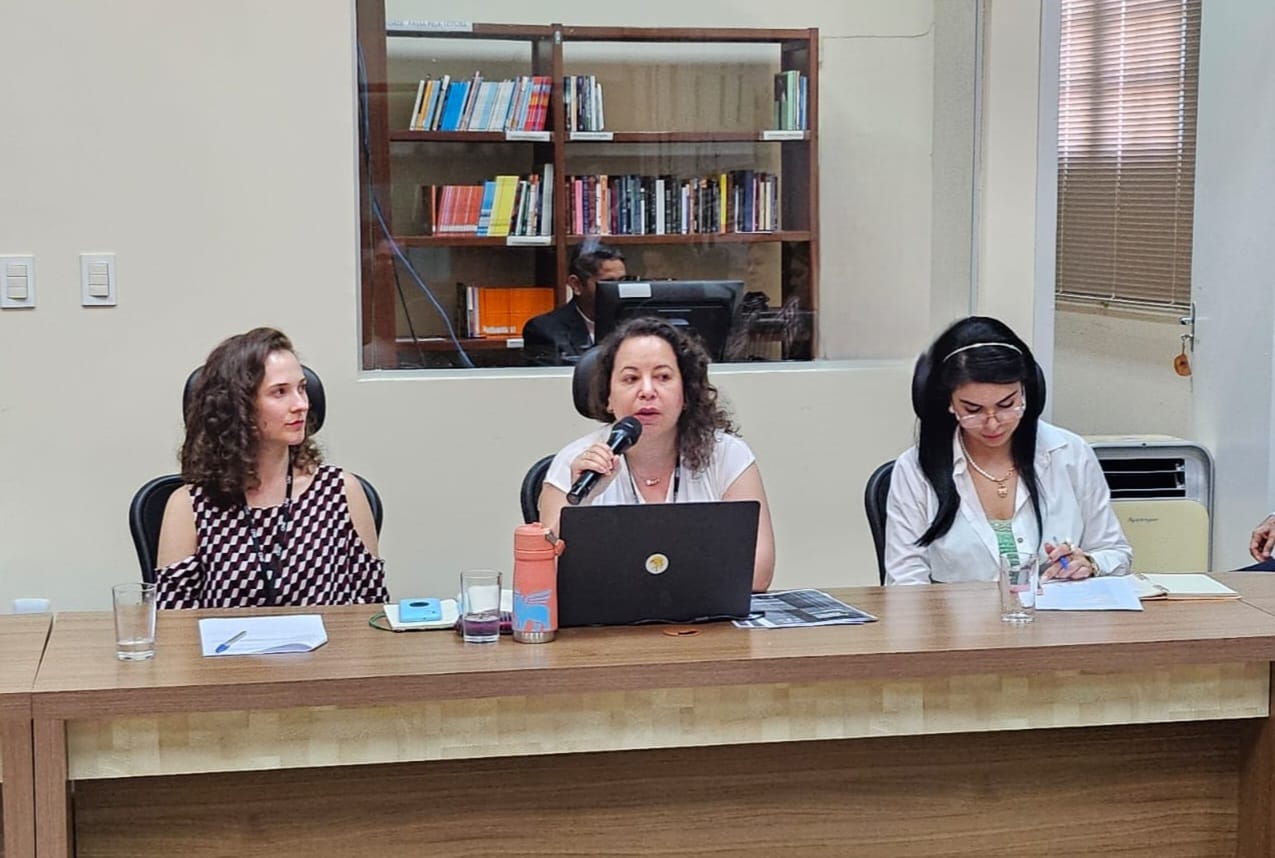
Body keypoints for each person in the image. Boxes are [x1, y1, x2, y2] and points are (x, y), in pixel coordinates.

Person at [885, 315, 1131, 585]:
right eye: (973, 409)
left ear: (1026, 391)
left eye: (1007, 405)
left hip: (1059, 611)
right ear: (949, 403)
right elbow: (905, 582)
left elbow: (1115, 552)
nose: (992, 423)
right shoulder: (914, 470)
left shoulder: (1069, 453)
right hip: (957, 614)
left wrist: (1089, 563)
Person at [155, 327, 388, 609]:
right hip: (228, 640)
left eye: (302, 388)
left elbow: (372, 609)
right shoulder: (189, 505)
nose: (301, 405)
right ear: (238, 406)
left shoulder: (342, 491)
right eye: (280, 392)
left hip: (327, 640)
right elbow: (172, 622)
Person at [538, 316, 776, 591]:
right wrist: (583, 501)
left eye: (663, 377)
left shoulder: (726, 455)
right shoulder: (576, 461)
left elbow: (757, 573)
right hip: (608, 617)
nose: (647, 391)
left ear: (686, 392)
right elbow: (544, 570)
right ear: (609, 397)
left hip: (709, 616)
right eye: (631, 378)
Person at [522, 240, 626, 364]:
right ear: (576, 285)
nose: (618, 289)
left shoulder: (634, 324)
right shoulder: (543, 330)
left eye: (623, 281)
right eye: (608, 283)